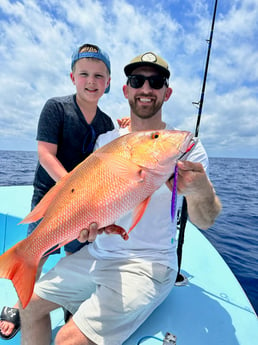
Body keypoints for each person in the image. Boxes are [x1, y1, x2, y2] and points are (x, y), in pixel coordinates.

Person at [19, 51, 222, 345]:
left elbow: (206, 220)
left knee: (68, 339)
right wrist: (89, 229)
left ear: (167, 92)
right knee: (29, 306)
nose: (146, 89)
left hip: (147, 265)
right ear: (126, 90)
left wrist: (199, 189)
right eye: (137, 81)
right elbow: (94, 195)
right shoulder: (106, 139)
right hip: (98, 253)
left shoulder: (189, 151)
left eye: (156, 82)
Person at [0, 43, 129, 340]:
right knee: (38, 255)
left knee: (77, 253)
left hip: (84, 207)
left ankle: (69, 302)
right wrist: (72, 185)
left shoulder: (106, 123)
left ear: (108, 83)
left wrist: (124, 127)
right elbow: (45, 154)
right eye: (84, 74)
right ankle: (20, 305)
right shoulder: (55, 107)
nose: (91, 81)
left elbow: (112, 159)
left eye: (99, 76)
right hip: (50, 198)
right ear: (72, 77)